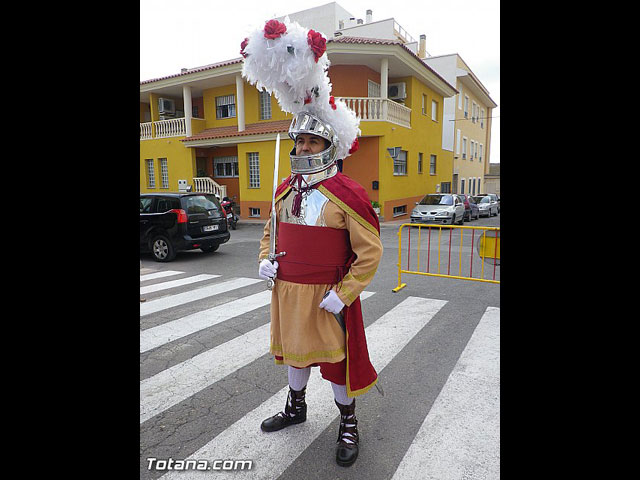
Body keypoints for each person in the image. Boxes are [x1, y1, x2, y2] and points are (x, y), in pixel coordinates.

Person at [242, 17, 382, 467]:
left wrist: (344, 296)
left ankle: (348, 422)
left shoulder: (348, 193)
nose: (300, 148)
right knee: (295, 357)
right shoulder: (283, 189)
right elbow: (271, 232)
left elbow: (370, 252)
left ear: (326, 145)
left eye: (309, 141)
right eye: (297, 141)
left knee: (336, 364)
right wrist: (265, 260)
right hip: (287, 291)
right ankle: (295, 407)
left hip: (327, 296)